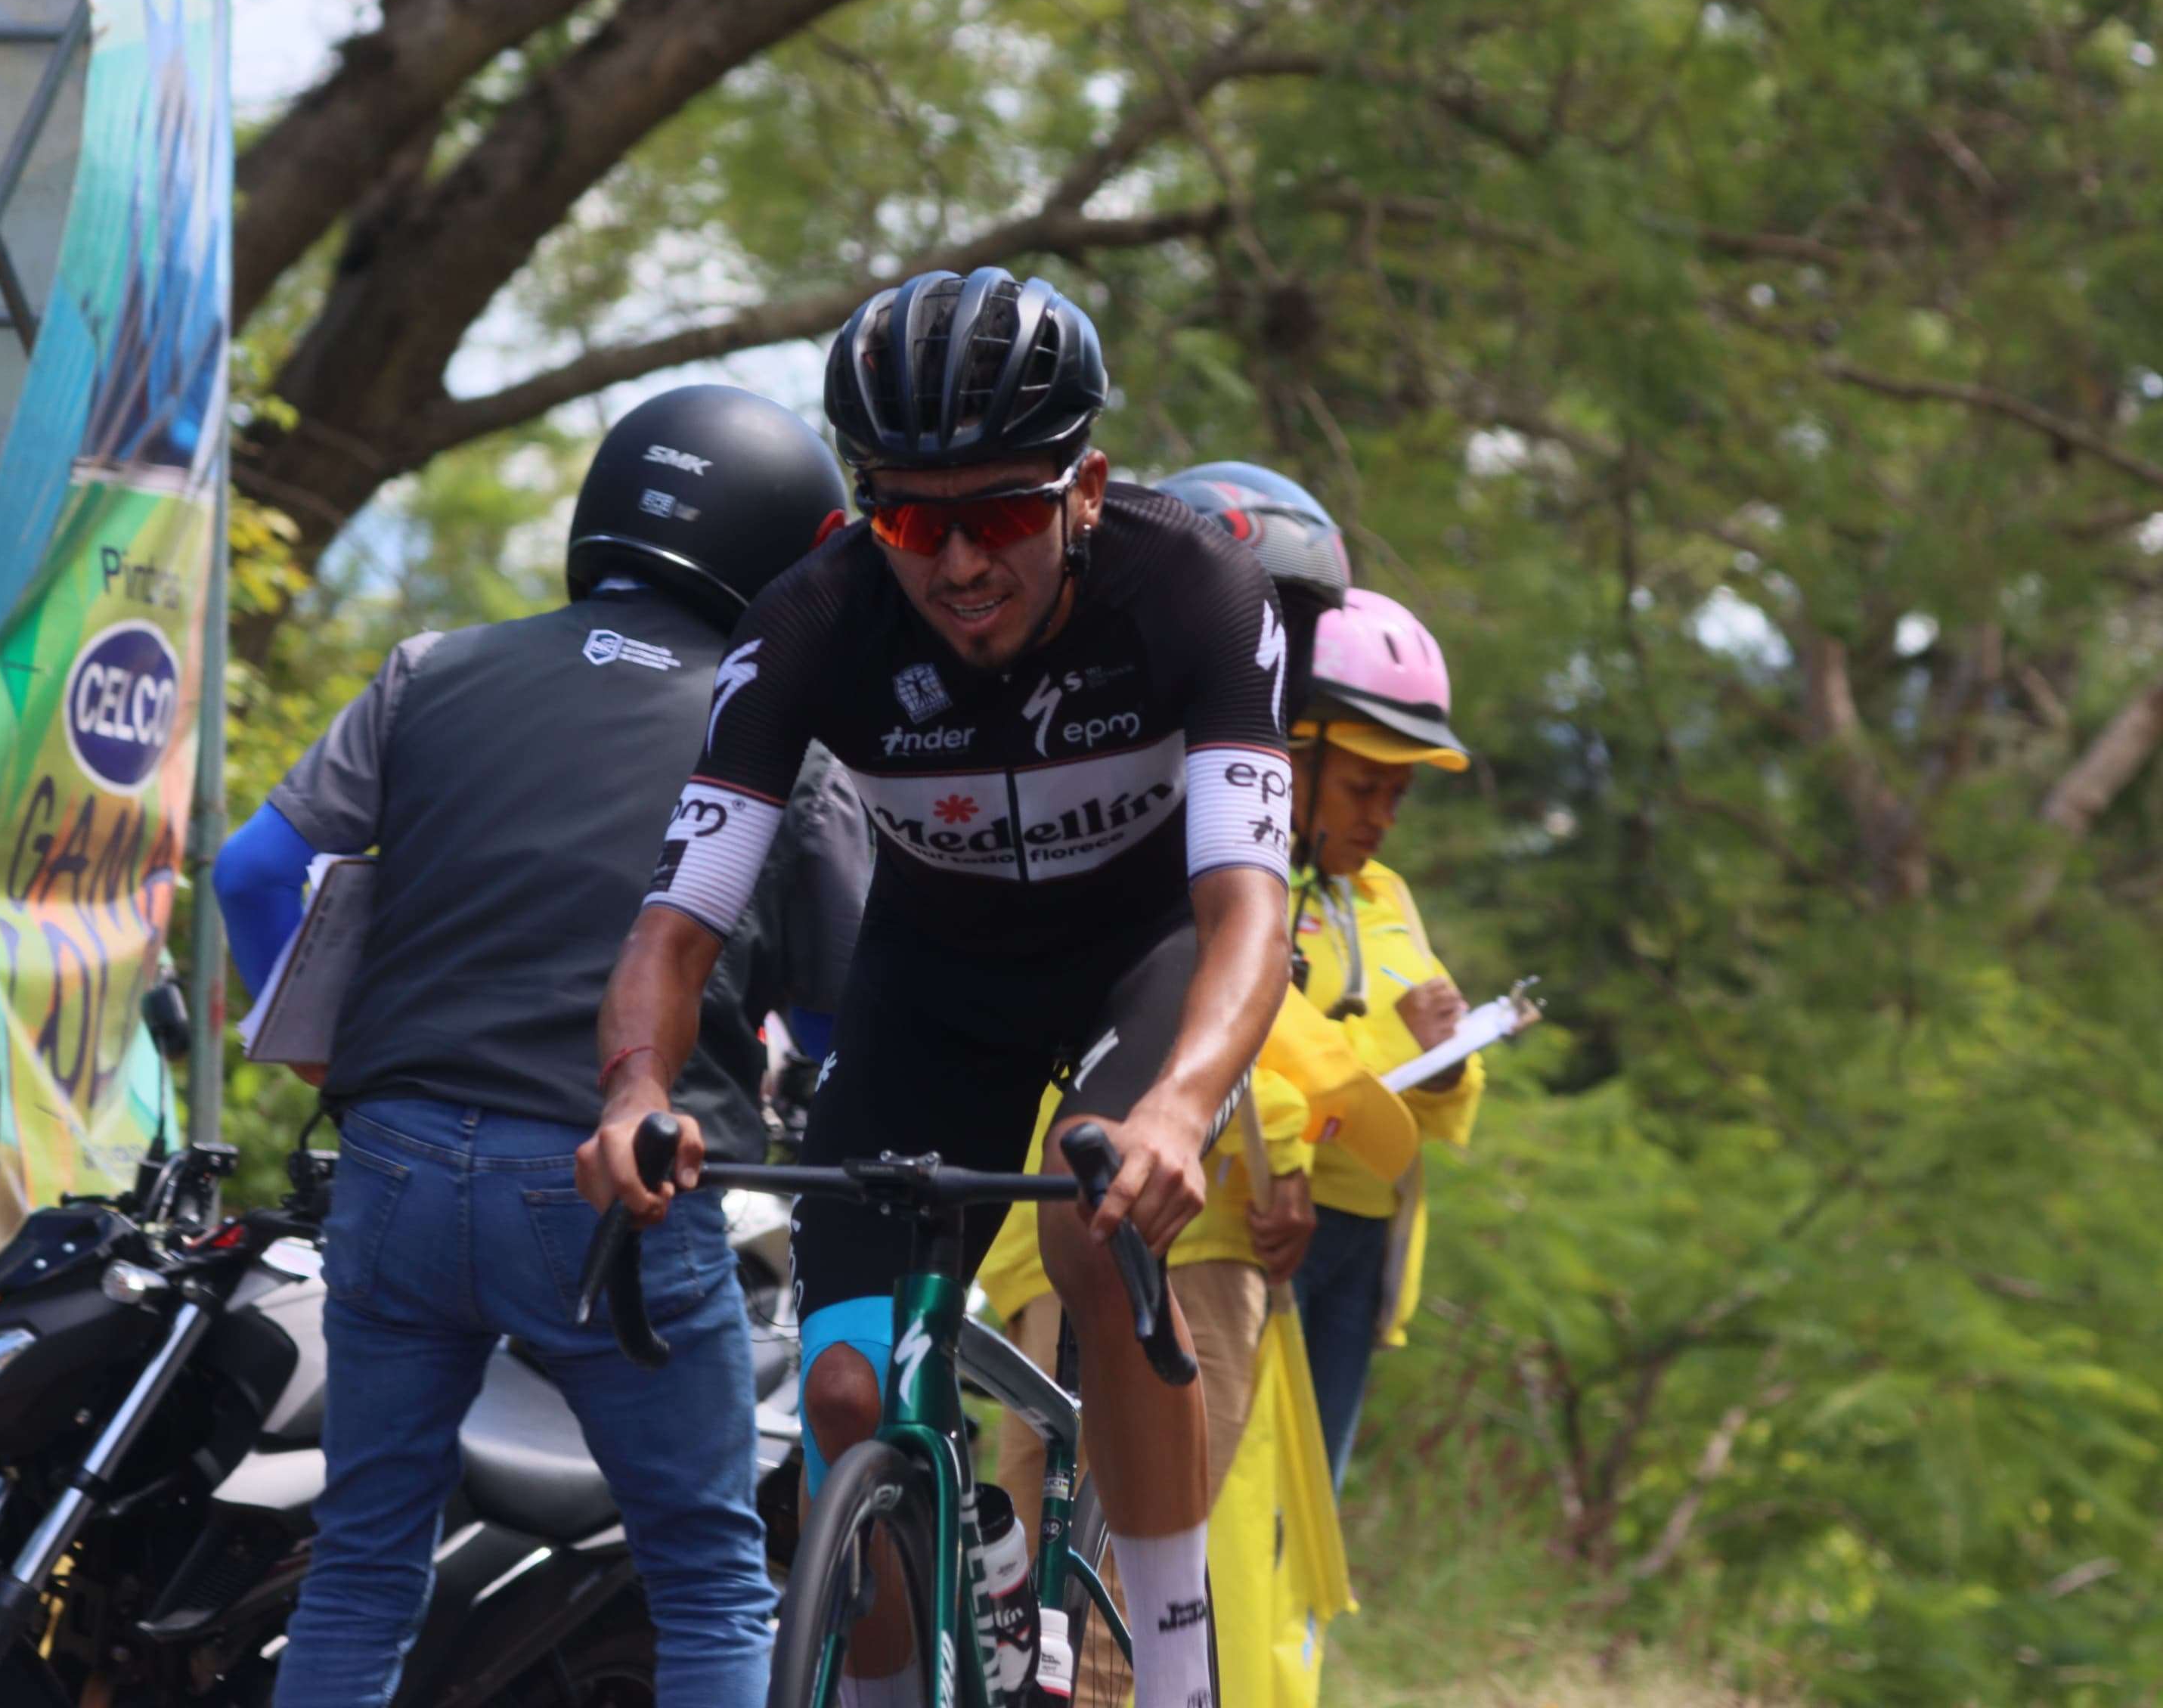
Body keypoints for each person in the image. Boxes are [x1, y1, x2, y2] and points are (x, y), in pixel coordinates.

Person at [584, 268, 1297, 1708]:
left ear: (1085, 488)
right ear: (865, 513)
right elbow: (677, 927)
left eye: (1003, 516)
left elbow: (1247, 908)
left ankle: (1172, 1672)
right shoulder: (815, 618)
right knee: (845, 1396)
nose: (959, 563)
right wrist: (637, 1092)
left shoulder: (1196, 583)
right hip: (937, 982)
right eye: (915, 518)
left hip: (1143, 961)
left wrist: (1179, 1108)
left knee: (1100, 1232)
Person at [212, 386, 866, 1708]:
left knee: (360, 1568)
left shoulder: (431, 673)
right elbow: (853, 1010)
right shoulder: (780, 747)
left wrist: (331, 1062)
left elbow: (253, 871)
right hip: (609, 1184)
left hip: (388, 1169)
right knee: (707, 1578)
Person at [975, 461, 1355, 1549]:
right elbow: (1223, 1005)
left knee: (1056, 1578)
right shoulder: (1205, 795)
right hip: (1164, 1229)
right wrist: (1283, 1160)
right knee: (1117, 1601)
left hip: (1072, 1225)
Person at [1281, 587, 1487, 1489]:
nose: (1382, 817)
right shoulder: (1244, 894)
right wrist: (1396, 1064)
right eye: (1365, 787)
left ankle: (1301, 1643)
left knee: (1314, 1507)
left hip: (1365, 1243)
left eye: (1396, 795)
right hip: (1266, 1228)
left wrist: (1448, 1063)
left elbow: (1444, 1090)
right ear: (1290, 760)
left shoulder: (1386, 897)